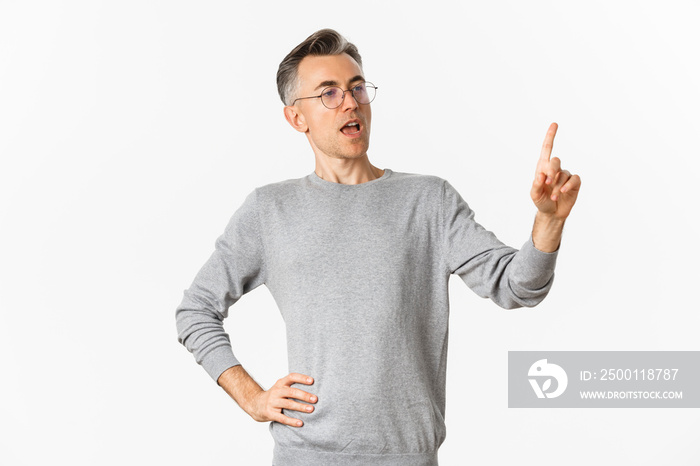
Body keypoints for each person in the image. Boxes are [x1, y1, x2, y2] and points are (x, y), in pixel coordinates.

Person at [175, 28, 580, 466]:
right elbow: (195, 310)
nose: (350, 102)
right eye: (328, 93)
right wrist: (251, 397)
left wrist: (548, 222)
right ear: (296, 118)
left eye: (356, 89)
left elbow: (517, 286)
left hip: (407, 455)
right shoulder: (269, 210)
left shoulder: (429, 201)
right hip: (305, 455)